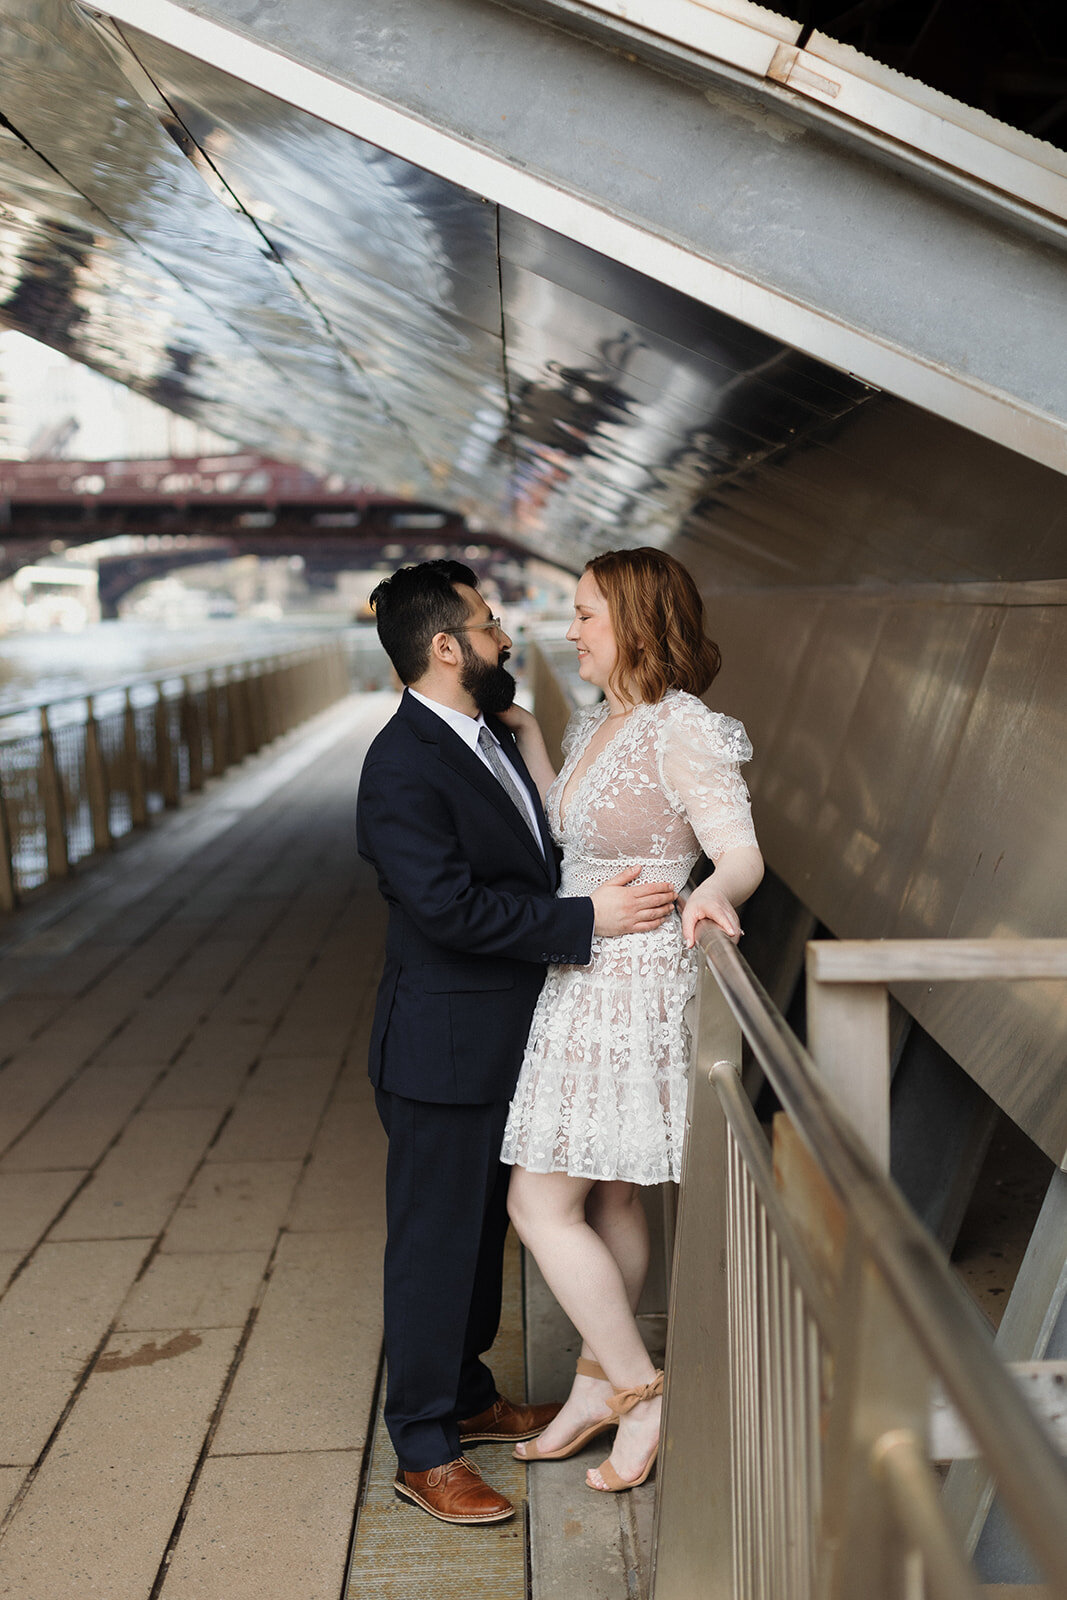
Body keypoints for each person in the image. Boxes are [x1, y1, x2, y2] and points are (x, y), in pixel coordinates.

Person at [355, 559, 677, 1526]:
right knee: (432, 1246)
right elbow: (447, 907)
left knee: (481, 1233)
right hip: (440, 1051)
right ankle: (424, 1447)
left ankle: (467, 1395)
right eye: (490, 626)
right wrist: (585, 922)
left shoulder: (487, 736)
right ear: (447, 647)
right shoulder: (401, 762)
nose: (506, 639)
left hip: (507, 1036)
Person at [499, 547, 764, 1493]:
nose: (569, 630)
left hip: (633, 982)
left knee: (537, 1201)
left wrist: (708, 897)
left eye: (584, 614)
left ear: (635, 622)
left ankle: (639, 1391)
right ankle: (590, 1387)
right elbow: (575, 834)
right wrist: (528, 734)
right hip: (581, 974)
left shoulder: (682, 727)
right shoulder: (600, 721)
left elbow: (739, 853)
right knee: (608, 1194)